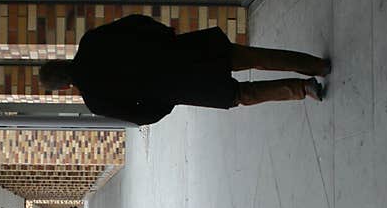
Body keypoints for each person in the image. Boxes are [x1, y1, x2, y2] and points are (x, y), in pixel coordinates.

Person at [38, 14, 330, 126]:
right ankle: (315, 65)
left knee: (242, 93)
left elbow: (141, 116)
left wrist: (166, 101)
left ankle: (303, 89)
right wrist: (165, 34)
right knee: (252, 57)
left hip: (178, 87)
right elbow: (134, 22)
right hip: (182, 52)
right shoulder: (90, 42)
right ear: (62, 61)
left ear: (64, 87)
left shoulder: (96, 101)